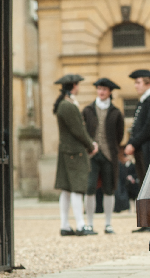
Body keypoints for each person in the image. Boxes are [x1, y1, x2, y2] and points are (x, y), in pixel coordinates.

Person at [53, 74, 98, 236]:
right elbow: (78, 130)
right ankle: (80, 225)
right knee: (77, 188)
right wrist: (90, 144)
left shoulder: (65, 104)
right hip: (74, 151)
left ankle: (65, 225)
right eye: (77, 85)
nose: (78, 87)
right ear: (73, 86)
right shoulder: (68, 105)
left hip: (68, 151)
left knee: (66, 189)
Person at [124, 69, 150, 232]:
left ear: (148, 82)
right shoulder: (145, 100)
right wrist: (131, 142)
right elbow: (137, 127)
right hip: (142, 148)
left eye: (138, 82)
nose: (136, 86)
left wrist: (133, 143)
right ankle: (147, 222)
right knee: (144, 185)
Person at [82, 78, 125, 234]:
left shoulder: (116, 112)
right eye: (99, 88)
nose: (101, 92)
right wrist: (89, 145)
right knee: (89, 188)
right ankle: (89, 223)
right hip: (91, 155)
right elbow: (83, 132)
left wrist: (111, 147)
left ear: (109, 92)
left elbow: (119, 135)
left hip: (109, 155)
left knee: (109, 188)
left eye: (104, 89)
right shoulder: (87, 110)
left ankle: (108, 223)